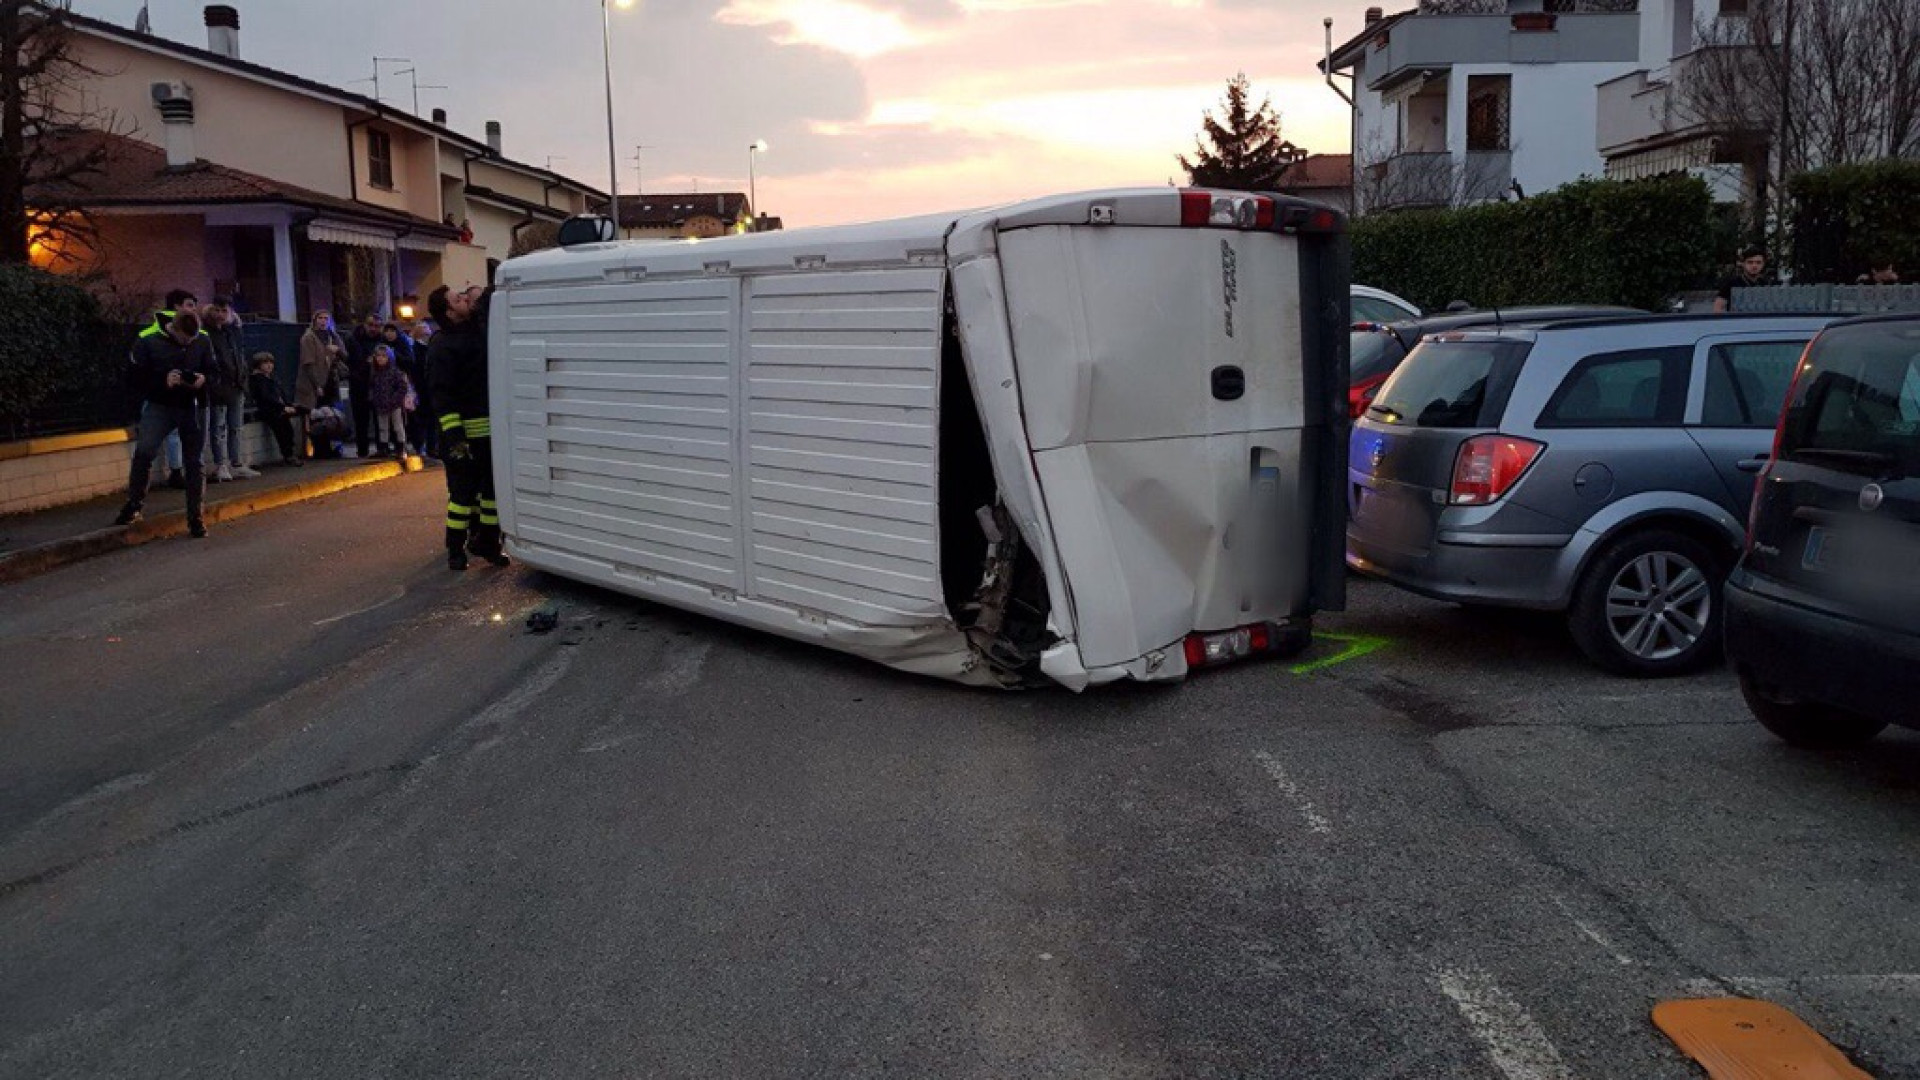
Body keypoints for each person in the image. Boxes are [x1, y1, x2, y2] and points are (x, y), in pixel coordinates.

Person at [428, 284, 507, 571]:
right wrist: (454, 437)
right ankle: (455, 548)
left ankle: (487, 542)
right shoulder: (441, 345)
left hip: (488, 433)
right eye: (457, 299)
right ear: (449, 312)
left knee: (491, 495)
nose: (464, 299)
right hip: (461, 437)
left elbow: (485, 307)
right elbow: (442, 396)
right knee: (461, 498)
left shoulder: (475, 331)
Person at [115, 309, 215, 537]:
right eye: (184, 339)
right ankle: (134, 505)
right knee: (144, 452)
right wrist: (162, 381)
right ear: (174, 328)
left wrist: (204, 379)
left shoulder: (202, 339)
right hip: (161, 404)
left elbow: (214, 370)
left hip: (193, 404)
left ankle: (196, 518)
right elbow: (133, 377)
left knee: (195, 461)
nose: (188, 343)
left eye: (192, 340)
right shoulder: (148, 341)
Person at [145, 288, 199, 488]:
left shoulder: (193, 330)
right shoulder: (155, 335)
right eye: (190, 305)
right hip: (163, 396)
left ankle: (179, 471)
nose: (194, 310)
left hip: (182, 393)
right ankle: (175, 472)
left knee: (176, 436)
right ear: (177, 307)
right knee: (159, 438)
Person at [202, 295, 256, 482]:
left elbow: (239, 354)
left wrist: (242, 379)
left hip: (236, 385)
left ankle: (236, 464)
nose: (220, 314)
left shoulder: (231, 331)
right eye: (217, 310)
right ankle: (221, 465)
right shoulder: (207, 333)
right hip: (219, 386)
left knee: (236, 427)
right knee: (218, 427)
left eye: (224, 310)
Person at [296, 310, 346, 457]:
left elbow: (345, 355)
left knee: (333, 416)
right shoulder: (308, 338)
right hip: (316, 383)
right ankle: (320, 449)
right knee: (318, 416)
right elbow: (308, 363)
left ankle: (334, 446)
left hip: (332, 380)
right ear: (315, 320)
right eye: (320, 318)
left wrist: (337, 351)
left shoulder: (333, 336)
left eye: (326, 318)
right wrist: (317, 384)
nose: (323, 321)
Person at [247, 352, 304, 468]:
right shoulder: (258, 380)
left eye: (270, 363)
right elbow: (266, 397)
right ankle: (289, 454)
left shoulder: (271, 378)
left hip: (278, 408)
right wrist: (283, 407)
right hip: (270, 410)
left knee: (296, 418)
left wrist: (288, 405)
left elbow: (280, 394)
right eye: (265, 363)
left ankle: (295, 450)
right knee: (283, 428)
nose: (269, 366)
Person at [347, 313, 385, 458]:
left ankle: (382, 447)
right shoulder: (353, 340)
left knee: (379, 419)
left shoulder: (382, 341)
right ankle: (362, 450)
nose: (373, 329)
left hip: (379, 384)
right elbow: (350, 361)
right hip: (359, 384)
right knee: (360, 419)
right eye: (371, 325)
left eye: (377, 326)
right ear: (364, 325)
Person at [368, 344, 413, 457]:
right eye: (378, 356)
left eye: (384, 356)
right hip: (381, 404)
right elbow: (372, 387)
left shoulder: (395, 372)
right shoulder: (375, 373)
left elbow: (402, 387)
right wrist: (373, 398)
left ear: (389, 357)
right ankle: (383, 448)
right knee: (383, 427)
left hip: (394, 405)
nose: (380, 358)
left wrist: (395, 399)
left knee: (398, 426)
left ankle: (401, 448)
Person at [1714, 246, 1771, 313]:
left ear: (1763, 264)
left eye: (1758, 262)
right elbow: (1717, 308)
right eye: (1750, 262)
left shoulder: (1766, 284)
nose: (1754, 266)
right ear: (1743, 263)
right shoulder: (1731, 283)